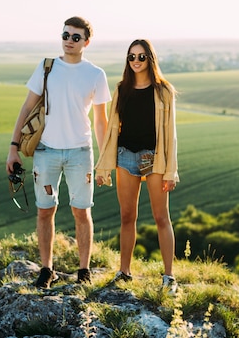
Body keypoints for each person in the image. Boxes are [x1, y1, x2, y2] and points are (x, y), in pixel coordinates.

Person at [6, 16, 110, 288]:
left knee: (82, 211)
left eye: (76, 37)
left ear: (87, 42)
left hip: (80, 153)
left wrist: (105, 158)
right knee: (44, 211)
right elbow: (27, 108)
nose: (69, 41)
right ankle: (46, 269)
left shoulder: (96, 75)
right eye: (65, 35)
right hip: (46, 152)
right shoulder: (46, 67)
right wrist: (13, 149)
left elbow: (101, 121)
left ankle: (84, 270)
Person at [95, 38, 179, 293]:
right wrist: (103, 165)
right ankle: (124, 272)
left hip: (154, 158)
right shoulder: (122, 89)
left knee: (160, 216)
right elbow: (111, 129)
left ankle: (169, 277)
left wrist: (171, 171)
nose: (136, 61)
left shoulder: (164, 90)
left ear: (150, 59)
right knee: (127, 216)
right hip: (125, 156)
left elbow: (171, 133)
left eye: (141, 57)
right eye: (131, 56)